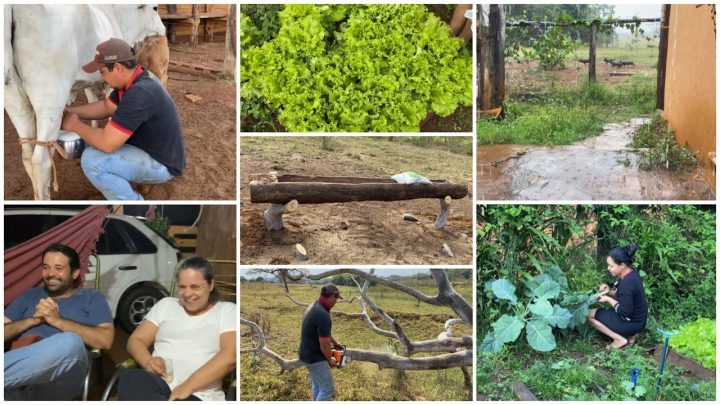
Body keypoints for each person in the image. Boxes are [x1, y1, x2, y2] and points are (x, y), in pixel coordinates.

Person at [61, 38, 185, 200]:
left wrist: (75, 125)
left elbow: (107, 144)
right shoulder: (135, 80)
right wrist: (70, 111)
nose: (102, 78)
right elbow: (106, 107)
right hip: (152, 150)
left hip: (162, 163)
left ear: (118, 68)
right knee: (91, 142)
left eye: (103, 72)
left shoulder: (140, 93)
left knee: (92, 161)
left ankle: (134, 204)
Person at [4, 243, 114, 400]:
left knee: (69, 341)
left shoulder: (91, 297)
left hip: (61, 378)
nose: (50, 273)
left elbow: (105, 340)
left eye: (58, 268)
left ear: (75, 273)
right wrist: (32, 320)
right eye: (46, 267)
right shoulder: (30, 295)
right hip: (16, 379)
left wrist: (58, 321)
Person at [118, 257, 236, 401]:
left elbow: (230, 356)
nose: (187, 294)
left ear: (211, 285)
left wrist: (188, 386)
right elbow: (136, 340)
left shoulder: (226, 311)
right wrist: (148, 361)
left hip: (200, 394)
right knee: (131, 379)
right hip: (159, 383)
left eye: (195, 287)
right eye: (182, 287)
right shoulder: (166, 305)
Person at [587, 245, 648, 350]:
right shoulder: (631, 273)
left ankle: (619, 339)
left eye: (611, 266)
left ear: (622, 265)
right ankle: (631, 336)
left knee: (589, 315)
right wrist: (609, 292)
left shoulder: (626, 284)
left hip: (632, 323)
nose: (608, 268)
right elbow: (624, 297)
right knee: (606, 311)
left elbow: (624, 312)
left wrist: (608, 299)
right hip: (639, 321)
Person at [299, 284, 344, 401]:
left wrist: (335, 342)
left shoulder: (314, 306)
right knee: (327, 389)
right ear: (333, 296)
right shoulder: (323, 314)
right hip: (315, 358)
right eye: (336, 299)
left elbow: (323, 332)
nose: (336, 302)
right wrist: (330, 359)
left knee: (318, 385)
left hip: (306, 355)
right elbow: (324, 344)